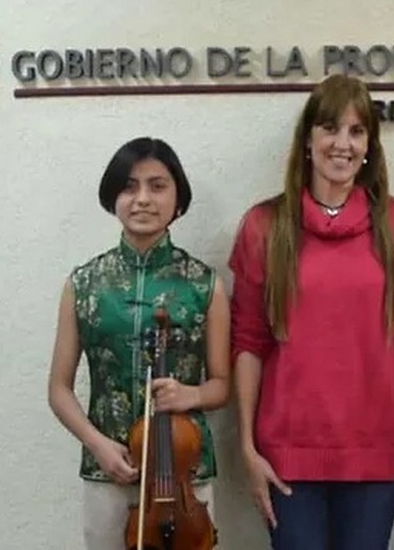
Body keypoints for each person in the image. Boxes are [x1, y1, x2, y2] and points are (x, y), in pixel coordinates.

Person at [228, 74, 394, 550]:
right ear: (308, 140)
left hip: (376, 452)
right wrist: (248, 449)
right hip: (287, 455)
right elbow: (248, 342)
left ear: (370, 147)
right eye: (330, 128)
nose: (343, 143)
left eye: (357, 132)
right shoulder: (265, 227)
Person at [47, 137, 231, 550]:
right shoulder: (83, 284)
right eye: (129, 186)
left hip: (184, 475)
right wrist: (98, 447)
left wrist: (189, 394)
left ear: (178, 197)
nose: (142, 199)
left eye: (158, 185)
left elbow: (222, 385)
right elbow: (58, 389)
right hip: (109, 470)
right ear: (113, 196)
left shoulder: (205, 284)